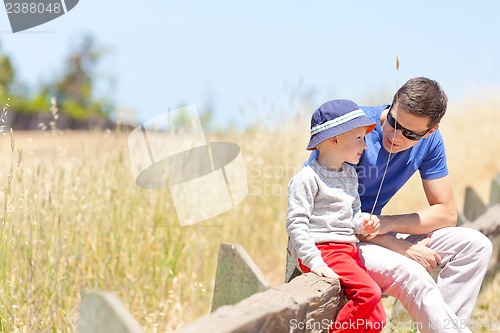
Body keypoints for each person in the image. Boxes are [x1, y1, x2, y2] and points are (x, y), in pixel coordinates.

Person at [305, 77, 492, 333]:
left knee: (476, 245)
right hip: (337, 241)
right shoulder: (354, 132)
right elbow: (325, 212)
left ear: (431, 131)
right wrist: (400, 247)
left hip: (373, 233)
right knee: (413, 274)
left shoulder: (431, 143)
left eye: (410, 134)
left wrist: (388, 225)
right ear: (392, 103)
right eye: (394, 122)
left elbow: (446, 213)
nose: (395, 136)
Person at [287, 99, 386, 333]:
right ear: (334, 139)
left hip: (347, 251)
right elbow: (296, 224)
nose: (365, 146)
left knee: (377, 320)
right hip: (324, 250)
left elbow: (351, 216)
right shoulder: (307, 179)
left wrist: (363, 223)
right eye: (359, 138)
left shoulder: (349, 174)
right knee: (369, 293)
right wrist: (315, 261)